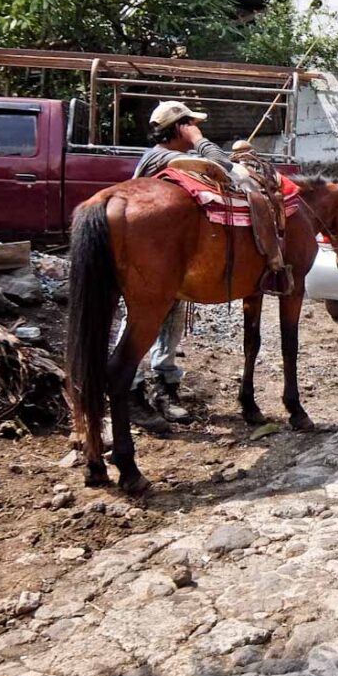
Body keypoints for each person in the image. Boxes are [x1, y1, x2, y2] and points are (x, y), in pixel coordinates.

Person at [124, 100, 236, 432]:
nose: (194, 128)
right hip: (150, 257)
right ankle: (129, 391)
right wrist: (199, 138)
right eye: (188, 124)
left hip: (166, 254)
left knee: (168, 319)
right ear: (178, 129)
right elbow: (222, 166)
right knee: (138, 319)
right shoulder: (165, 157)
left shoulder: (162, 157)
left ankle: (164, 386)